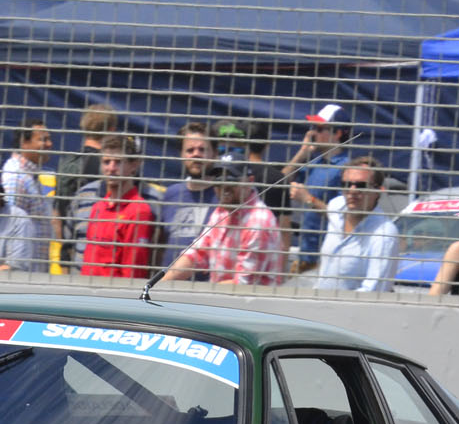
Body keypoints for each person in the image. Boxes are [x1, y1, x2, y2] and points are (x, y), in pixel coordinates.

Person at [156, 154, 286, 287]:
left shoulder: (258, 222)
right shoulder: (222, 211)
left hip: (250, 304)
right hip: (223, 300)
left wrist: (196, 294)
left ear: (249, 181)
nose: (224, 186)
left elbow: (242, 284)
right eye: (218, 180)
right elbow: (197, 253)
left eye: (230, 180)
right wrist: (163, 284)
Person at [74, 134, 155, 278]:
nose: (111, 168)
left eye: (118, 162)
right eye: (106, 162)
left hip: (113, 297)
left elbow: (133, 273)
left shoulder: (139, 212)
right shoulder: (98, 207)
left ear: (134, 165)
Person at [313, 156, 398, 292]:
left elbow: (374, 291)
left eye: (361, 186)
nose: (352, 191)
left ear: (378, 191)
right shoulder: (336, 206)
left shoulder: (384, 235)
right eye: (346, 185)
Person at [284, 103, 351, 271]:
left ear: (338, 133)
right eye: (314, 127)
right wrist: (303, 152)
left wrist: (307, 199)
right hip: (305, 255)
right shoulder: (315, 161)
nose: (313, 133)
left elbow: (344, 217)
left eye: (320, 129)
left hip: (327, 259)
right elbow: (281, 180)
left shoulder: (346, 169)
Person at [153, 121, 218, 272]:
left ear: (215, 154)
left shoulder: (224, 195)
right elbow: (160, 245)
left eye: (202, 149)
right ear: (181, 155)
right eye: (190, 150)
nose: (196, 154)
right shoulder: (171, 194)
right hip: (167, 287)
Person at [0, 120, 56, 266]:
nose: (50, 144)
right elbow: (10, 227)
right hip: (23, 273)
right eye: (43, 140)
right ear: (24, 143)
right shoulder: (16, 177)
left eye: (49, 139)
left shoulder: (28, 175)